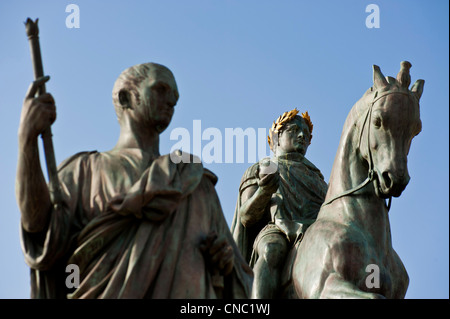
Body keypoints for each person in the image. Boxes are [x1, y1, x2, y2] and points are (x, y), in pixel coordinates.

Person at [16, 62, 252, 299]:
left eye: (175, 96)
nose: (172, 101)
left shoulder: (194, 181)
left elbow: (241, 278)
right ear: (125, 97)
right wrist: (27, 140)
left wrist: (224, 262)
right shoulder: (83, 171)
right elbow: (40, 231)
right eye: (160, 89)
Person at [231, 108, 327, 298]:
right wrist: (264, 191)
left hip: (315, 229)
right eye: (293, 130)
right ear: (277, 137)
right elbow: (246, 217)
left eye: (306, 134)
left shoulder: (319, 180)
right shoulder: (260, 169)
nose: (301, 135)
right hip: (277, 228)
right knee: (272, 250)